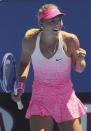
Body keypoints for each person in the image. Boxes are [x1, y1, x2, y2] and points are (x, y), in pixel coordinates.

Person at [11, 3, 87, 131]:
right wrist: (21, 86)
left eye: (59, 20)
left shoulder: (70, 40)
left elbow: (79, 69)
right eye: (52, 21)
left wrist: (80, 60)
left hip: (65, 97)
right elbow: (24, 62)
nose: (57, 24)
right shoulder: (29, 41)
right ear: (41, 24)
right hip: (40, 97)